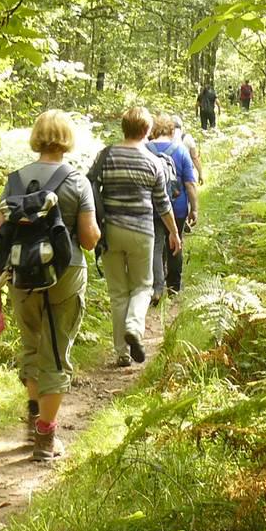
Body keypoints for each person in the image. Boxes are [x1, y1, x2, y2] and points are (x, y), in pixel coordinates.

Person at [0, 110, 100, 462]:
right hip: (65, 274)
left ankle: (35, 417)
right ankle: (46, 438)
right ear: (66, 139)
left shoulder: (15, 181)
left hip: (22, 276)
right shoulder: (77, 182)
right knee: (56, 352)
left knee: (32, 347)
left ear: (37, 138)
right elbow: (89, 239)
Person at [89, 106, 181, 367]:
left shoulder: (106, 156)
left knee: (118, 292)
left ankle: (122, 353)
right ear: (147, 131)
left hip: (109, 232)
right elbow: (162, 203)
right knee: (143, 286)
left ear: (124, 127)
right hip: (141, 231)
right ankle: (133, 325)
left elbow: (90, 190)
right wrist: (174, 232)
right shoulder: (153, 162)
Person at [148, 114, 198, 303]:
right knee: (175, 244)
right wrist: (194, 209)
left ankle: (156, 288)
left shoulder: (145, 149)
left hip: (153, 206)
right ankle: (174, 288)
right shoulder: (181, 150)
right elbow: (190, 184)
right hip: (177, 207)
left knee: (156, 245)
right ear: (172, 130)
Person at [172, 115, 204, 184]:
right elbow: (194, 157)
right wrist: (200, 173)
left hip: (171, 173)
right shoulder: (187, 137)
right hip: (186, 171)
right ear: (181, 126)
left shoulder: (165, 138)